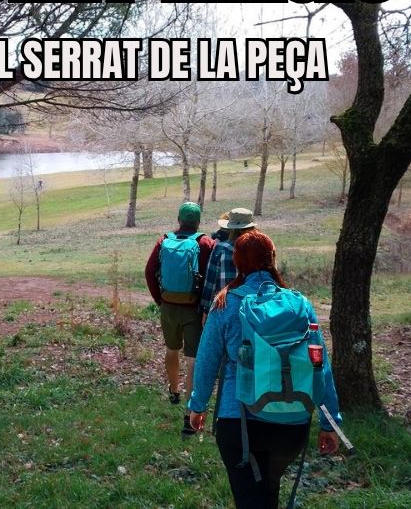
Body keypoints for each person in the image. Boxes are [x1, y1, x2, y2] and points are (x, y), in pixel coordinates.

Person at [187, 231, 341, 509]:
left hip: (239, 422)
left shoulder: (225, 303)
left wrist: (197, 407)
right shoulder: (300, 305)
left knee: (251, 499)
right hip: (292, 424)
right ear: (273, 259)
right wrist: (330, 422)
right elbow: (320, 365)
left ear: (237, 262)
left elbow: (207, 361)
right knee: (267, 494)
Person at [145, 201, 215, 436]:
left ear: (179, 220)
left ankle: (174, 390)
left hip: (168, 306)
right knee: (192, 360)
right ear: (198, 222)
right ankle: (188, 415)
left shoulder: (164, 240)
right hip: (193, 309)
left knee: (171, 349)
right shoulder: (205, 243)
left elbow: (149, 271)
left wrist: (160, 299)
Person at [200, 208, 257, 325]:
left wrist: (205, 310)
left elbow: (210, 282)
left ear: (231, 228)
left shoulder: (221, 248)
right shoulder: (261, 248)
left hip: (225, 308)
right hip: (253, 310)